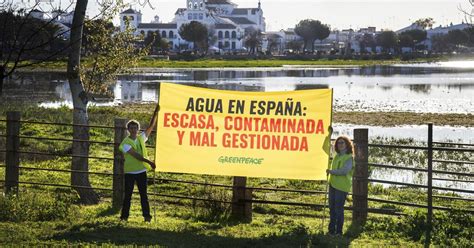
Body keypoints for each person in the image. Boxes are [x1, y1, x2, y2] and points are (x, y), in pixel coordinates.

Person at [119, 105, 159, 222]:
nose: (133, 129)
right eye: (131, 128)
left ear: (138, 129)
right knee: (128, 196)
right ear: (128, 130)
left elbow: (151, 126)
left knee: (144, 196)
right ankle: (124, 217)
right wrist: (149, 162)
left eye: (135, 128)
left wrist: (155, 113)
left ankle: (147, 217)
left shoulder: (141, 137)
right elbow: (135, 155)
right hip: (130, 172)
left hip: (141, 171)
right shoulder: (125, 143)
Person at [326, 136, 355, 235]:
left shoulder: (349, 157)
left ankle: (338, 231)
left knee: (338, 209)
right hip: (333, 184)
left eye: (342, 142)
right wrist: (328, 135)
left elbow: (344, 171)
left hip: (342, 187)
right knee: (332, 208)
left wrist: (331, 172)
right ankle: (331, 231)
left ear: (347, 144)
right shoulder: (337, 155)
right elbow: (325, 148)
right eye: (338, 143)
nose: (340, 144)